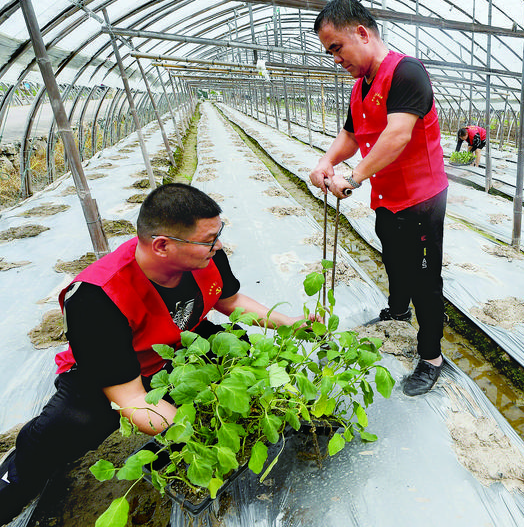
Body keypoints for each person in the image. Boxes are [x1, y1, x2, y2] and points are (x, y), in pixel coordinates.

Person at [0, 184, 307, 524]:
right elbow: (131, 398)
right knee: (72, 425)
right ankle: (15, 480)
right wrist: (205, 434)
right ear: (162, 245)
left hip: (178, 343)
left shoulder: (206, 254)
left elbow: (230, 301)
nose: (218, 245)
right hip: (116, 370)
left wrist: (289, 323)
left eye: (218, 234)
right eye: (208, 239)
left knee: (239, 356)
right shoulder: (96, 299)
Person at [309, 0, 448, 397]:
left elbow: (398, 135)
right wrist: (327, 161)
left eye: (336, 47)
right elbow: (352, 136)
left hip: (422, 199)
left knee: (426, 280)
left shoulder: (407, 73)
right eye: (328, 52)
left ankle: (432, 356)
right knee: (394, 261)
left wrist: (351, 178)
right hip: (388, 198)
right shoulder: (358, 88)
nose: (335, 58)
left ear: (362, 33)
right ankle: (398, 311)